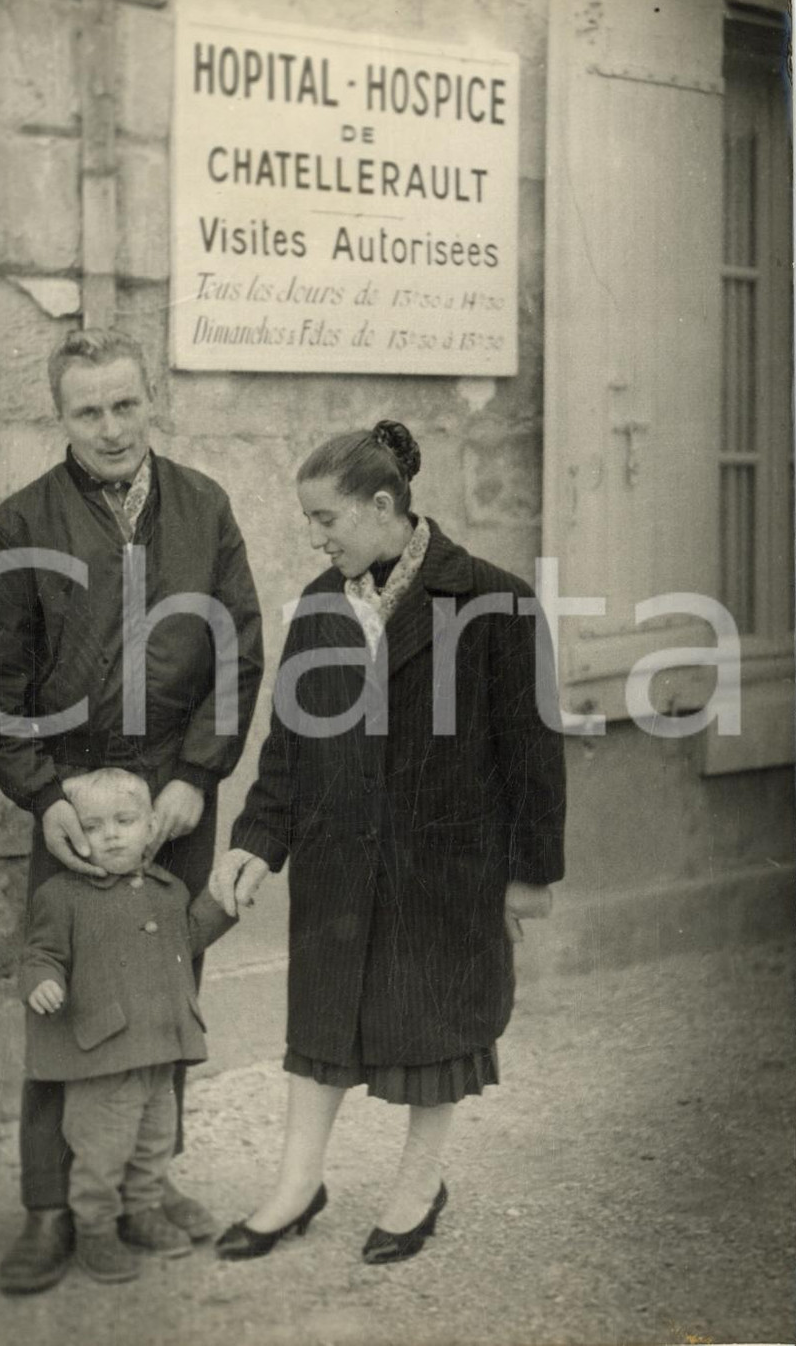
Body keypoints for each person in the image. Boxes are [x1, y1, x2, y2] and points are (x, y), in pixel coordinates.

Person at [209, 420, 566, 1265]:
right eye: (308, 520)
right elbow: (289, 744)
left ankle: (418, 1183)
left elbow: (532, 751)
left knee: (435, 1029)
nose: (315, 537)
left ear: (382, 506)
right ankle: (297, 1185)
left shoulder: (496, 601)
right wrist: (256, 839)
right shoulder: (319, 608)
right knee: (322, 1023)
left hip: (445, 865)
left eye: (325, 518)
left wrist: (531, 872)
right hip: (338, 861)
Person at [0, 328, 263, 1292]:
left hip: (172, 798)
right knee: (68, 1008)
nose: (110, 427)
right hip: (78, 804)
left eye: (125, 404)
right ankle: (51, 1209)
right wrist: (41, 794)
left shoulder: (204, 506)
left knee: (167, 995)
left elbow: (236, 653)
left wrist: (199, 774)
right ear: (59, 416)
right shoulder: (20, 525)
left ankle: (144, 1187)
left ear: (151, 401)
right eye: (88, 410)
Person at [22, 769, 235, 1283]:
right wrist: (42, 980)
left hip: (159, 1050)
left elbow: (185, 939)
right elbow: (40, 952)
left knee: (154, 1141)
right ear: (73, 835)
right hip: (103, 1055)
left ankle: (141, 1211)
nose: (112, 835)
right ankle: (95, 1230)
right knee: (100, 1150)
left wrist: (221, 902)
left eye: (124, 820)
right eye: (93, 827)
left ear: (151, 826)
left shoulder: (168, 889)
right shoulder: (62, 895)